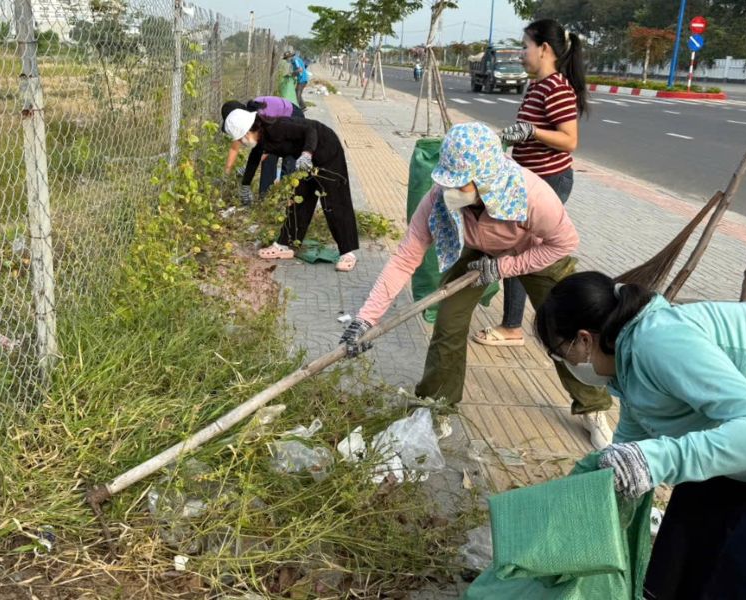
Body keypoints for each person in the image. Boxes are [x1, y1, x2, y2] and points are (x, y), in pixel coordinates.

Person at [339, 122, 613, 448]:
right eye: (447, 182)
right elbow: (403, 260)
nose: (450, 191)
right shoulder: (440, 199)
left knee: (565, 328)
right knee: (448, 324)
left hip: (538, 252)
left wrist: (502, 268)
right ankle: (436, 407)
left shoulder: (533, 196)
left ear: (487, 179)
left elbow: (564, 242)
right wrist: (365, 319)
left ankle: (592, 407)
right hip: (479, 251)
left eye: (460, 183)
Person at [534, 271, 746, 599]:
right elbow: (630, 446)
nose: (564, 364)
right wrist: (581, 505)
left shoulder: (659, 342)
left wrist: (654, 461)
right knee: (686, 538)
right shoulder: (626, 362)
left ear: (584, 339)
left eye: (561, 354)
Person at [472, 18, 588, 351]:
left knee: (523, 251)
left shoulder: (556, 87)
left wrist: (531, 132)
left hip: (550, 182)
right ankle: (517, 323)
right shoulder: (538, 86)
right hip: (530, 180)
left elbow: (569, 140)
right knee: (516, 248)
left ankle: (516, 326)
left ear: (545, 49)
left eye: (525, 46)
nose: (522, 53)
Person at [223, 108, 359, 271]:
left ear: (250, 129)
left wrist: (307, 154)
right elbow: (254, 159)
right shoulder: (262, 139)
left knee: (334, 201)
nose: (242, 143)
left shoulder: (277, 127)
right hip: (305, 158)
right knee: (300, 198)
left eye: (242, 138)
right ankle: (285, 245)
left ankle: (347, 252)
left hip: (326, 149)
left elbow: (311, 130)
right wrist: (245, 185)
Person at [220, 97, 304, 204]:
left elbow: (263, 150)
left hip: (292, 115)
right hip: (276, 124)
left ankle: (285, 199)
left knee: (288, 161)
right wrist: (226, 174)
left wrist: (246, 170)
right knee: (268, 160)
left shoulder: (260, 117)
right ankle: (265, 198)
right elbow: (235, 147)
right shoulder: (247, 123)